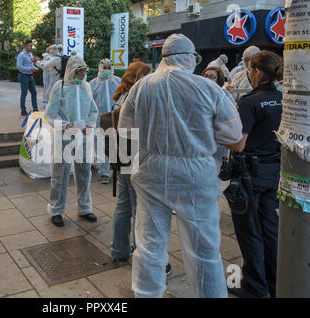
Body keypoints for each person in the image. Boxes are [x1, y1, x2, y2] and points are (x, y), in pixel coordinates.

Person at [118, 34, 243, 298]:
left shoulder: (141, 87)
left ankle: (146, 294)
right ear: (189, 57)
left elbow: (125, 129)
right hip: (196, 176)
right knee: (204, 248)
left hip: (150, 172)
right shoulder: (210, 89)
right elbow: (233, 136)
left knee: (149, 243)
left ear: (164, 57)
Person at [225, 51, 283, 298]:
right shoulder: (282, 98)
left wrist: (220, 136)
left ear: (257, 71)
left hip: (250, 174)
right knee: (270, 228)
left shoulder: (250, 102)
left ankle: (254, 285)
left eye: (250, 70)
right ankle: (274, 281)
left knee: (249, 229)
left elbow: (239, 144)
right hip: (274, 171)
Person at [110, 61, 174, 274]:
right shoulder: (137, 96)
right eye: (147, 74)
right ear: (136, 76)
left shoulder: (121, 95)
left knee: (124, 205)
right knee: (139, 208)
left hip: (123, 157)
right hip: (134, 158)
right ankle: (143, 255)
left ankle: (119, 249)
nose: (151, 78)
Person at [45, 56, 99, 227]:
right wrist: (65, 125)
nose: (83, 75)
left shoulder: (87, 87)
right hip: (64, 137)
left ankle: (84, 208)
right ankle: (56, 209)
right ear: (72, 71)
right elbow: (51, 113)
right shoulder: (59, 87)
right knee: (60, 174)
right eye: (80, 72)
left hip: (83, 137)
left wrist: (90, 125)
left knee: (84, 173)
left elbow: (93, 111)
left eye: (84, 72)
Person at [201, 66, 236, 196]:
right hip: (199, 146)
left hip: (217, 147)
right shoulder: (197, 93)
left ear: (219, 80)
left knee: (212, 183)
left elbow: (232, 118)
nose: (208, 78)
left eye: (212, 76)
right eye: (205, 75)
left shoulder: (224, 95)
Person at [90, 59, 121, 184]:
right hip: (100, 119)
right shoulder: (93, 83)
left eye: (109, 68)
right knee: (101, 145)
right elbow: (89, 102)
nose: (107, 70)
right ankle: (104, 172)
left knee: (116, 144)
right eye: (105, 68)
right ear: (100, 68)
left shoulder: (118, 81)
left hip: (115, 118)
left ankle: (116, 170)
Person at [17, 40, 39, 116]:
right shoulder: (21, 55)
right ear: (26, 46)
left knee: (34, 92)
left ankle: (35, 109)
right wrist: (30, 69)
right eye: (30, 46)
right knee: (24, 93)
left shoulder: (30, 54)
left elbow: (31, 65)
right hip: (23, 76)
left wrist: (35, 68)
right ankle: (23, 110)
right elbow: (19, 67)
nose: (31, 47)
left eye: (31, 45)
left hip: (30, 76)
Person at [35, 45, 53, 110]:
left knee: (47, 89)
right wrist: (38, 62)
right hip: (48, 74)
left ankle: (45, 105)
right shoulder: (48, 56)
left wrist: (38, 62)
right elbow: (46, 65)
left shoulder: (49, 57)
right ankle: (46, 105)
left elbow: (45, 64)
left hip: (47, 74)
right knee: (47, 89)